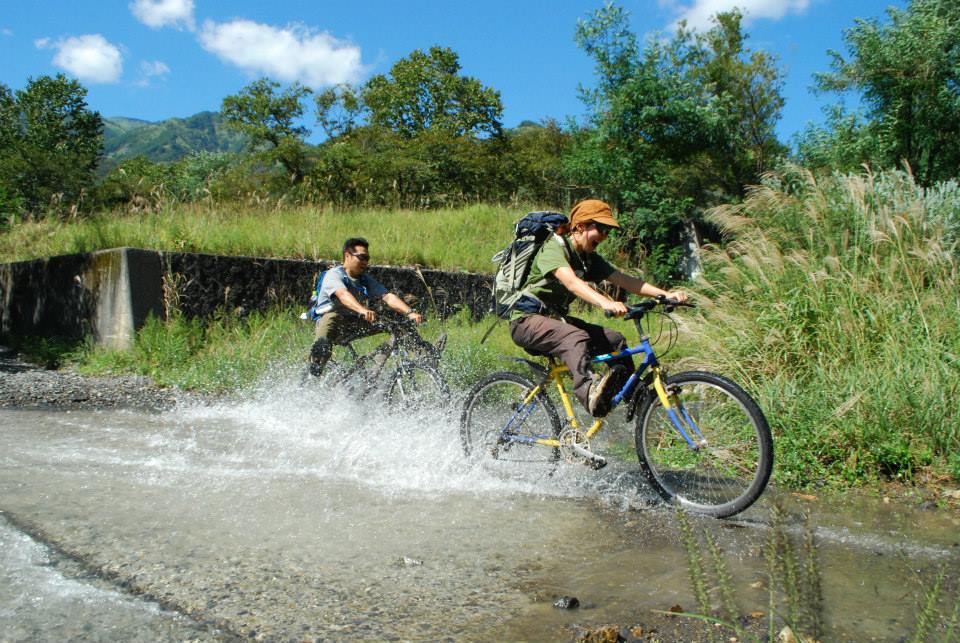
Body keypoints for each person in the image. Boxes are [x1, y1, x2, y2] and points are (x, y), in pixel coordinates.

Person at [509, 199, 688, 417]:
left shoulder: (587, 259)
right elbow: (572, 283)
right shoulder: (553, 248)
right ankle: (589, 395)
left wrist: (666, 295)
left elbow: (624, 280)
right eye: (601, 229)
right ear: (580, 226)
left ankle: (639, 404)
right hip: (526, 321)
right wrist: (606, 302)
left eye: (608, 231)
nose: (604, 236)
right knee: (574, 338)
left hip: (555, 320)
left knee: (615, 341)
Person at [308, 237, 423, 376]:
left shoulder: (364, 278)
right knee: (323, 343)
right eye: (361, 257)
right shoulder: (334, 275)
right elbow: (343, 295)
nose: (365, 262)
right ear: (347, 256)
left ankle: (421, 354)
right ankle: (314, 367)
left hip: (354, 322)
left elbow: (387, 296)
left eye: (367, 258)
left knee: (396, 322)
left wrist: (410, 313)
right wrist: (362, 310)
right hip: (332, 323)